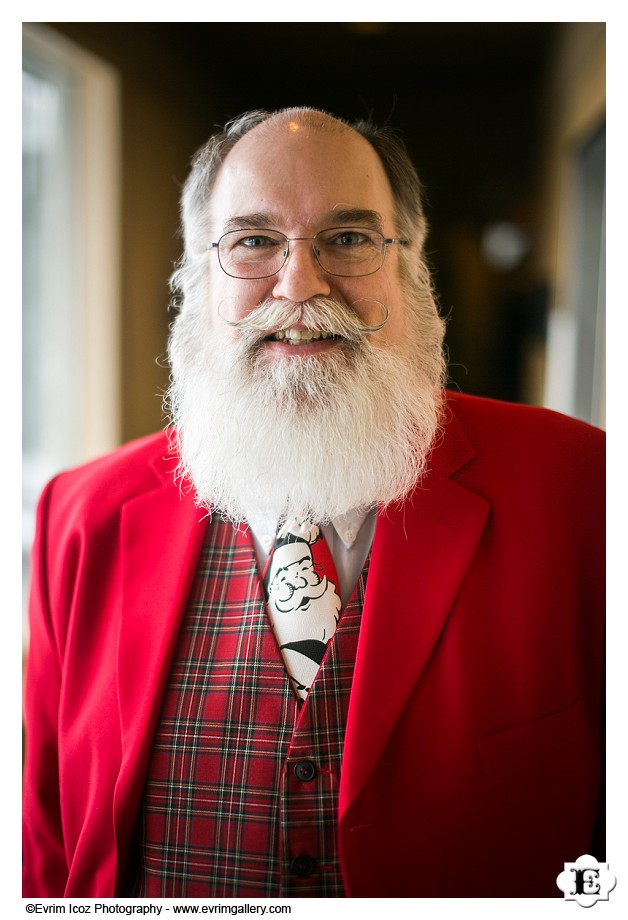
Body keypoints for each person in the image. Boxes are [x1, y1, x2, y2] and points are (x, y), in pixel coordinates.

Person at [22, 107, 605, 899]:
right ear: (198, 280)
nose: (301, 284)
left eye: (350, 238)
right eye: (254, 241)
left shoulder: (587, 487)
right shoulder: (79, 514)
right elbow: (48, 843)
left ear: (411, 268)